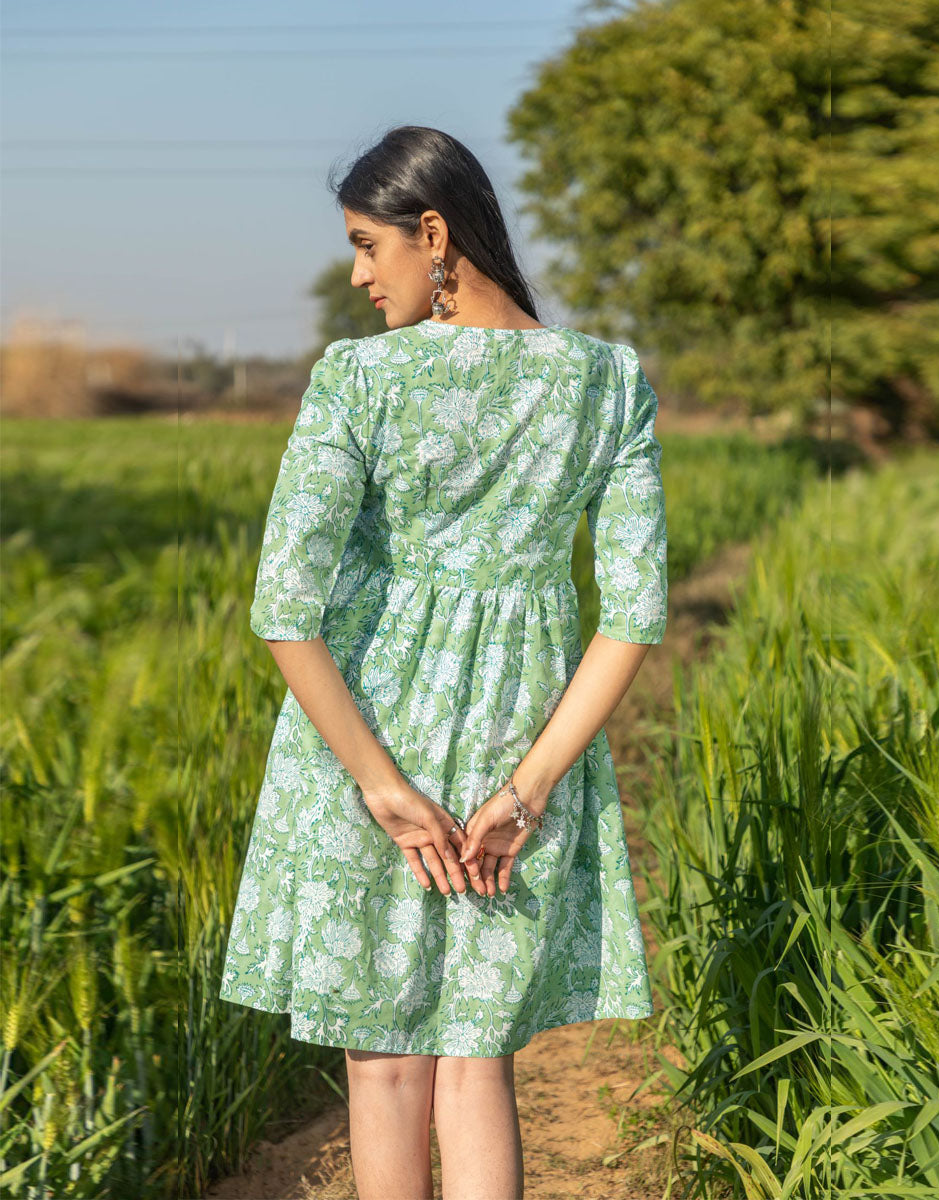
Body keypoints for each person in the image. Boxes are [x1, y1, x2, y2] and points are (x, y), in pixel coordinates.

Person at [218, 125, 669, 1200]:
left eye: (368, 246)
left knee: (381, 1067)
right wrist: (532, 785)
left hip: (361, 740)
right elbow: (635, 615)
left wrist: (377, 784)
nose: (361, 276)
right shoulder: (608, 382)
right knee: (476, 1061)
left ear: (434, 232)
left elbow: (285, 607)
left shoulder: (357, 382)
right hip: (517, 746)